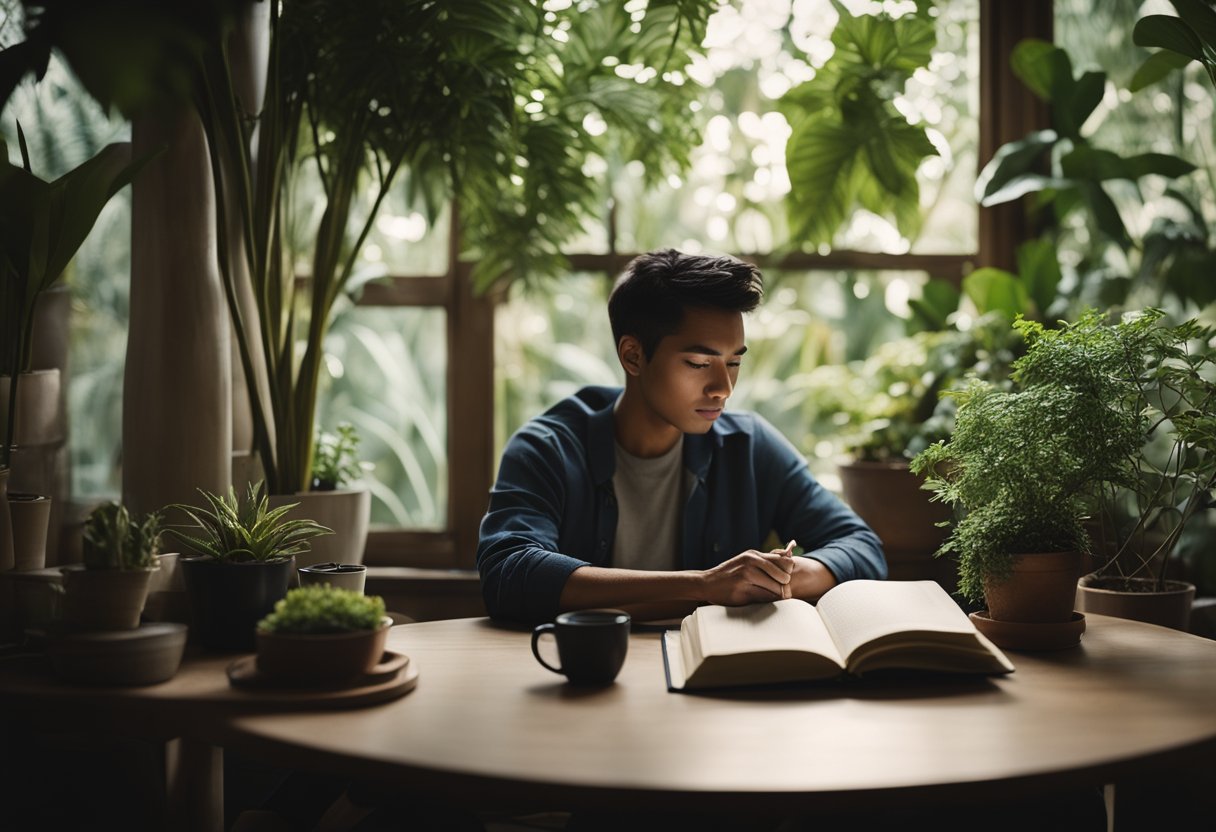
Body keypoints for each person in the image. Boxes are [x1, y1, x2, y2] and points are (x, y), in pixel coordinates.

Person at [477, 248, 886, 624]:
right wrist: (704, 586)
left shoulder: (749, 446)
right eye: (698, 363)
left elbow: (862, 547)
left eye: (733, 362)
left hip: (712, 678)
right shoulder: (547, 448)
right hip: (584, 678)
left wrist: (779, 578)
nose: (723, 388)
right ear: (633, 356)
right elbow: (509, 575)